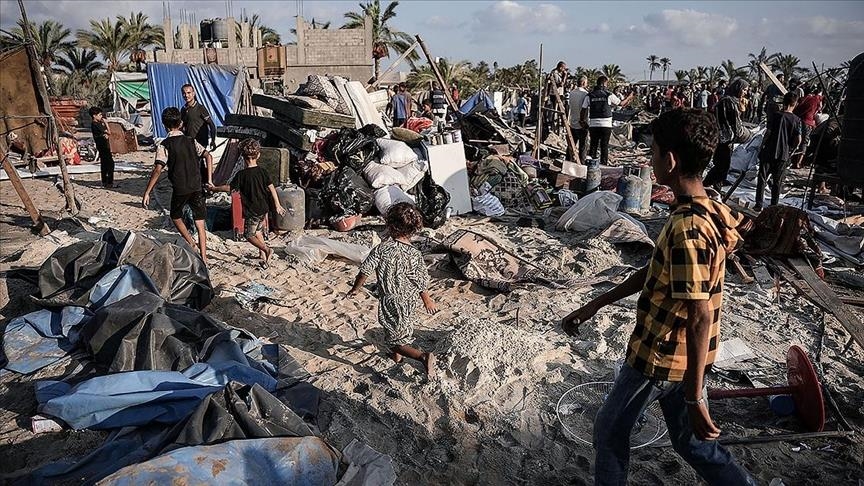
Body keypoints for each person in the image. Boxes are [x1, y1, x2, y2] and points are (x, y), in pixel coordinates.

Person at [562, 108, 756, 486]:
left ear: (669, 160)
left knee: (609, 431)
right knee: (692, 443)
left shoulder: (688, 228)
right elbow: (657, 270)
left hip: (659, 358)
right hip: (687, 358)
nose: (650, 162)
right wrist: (596, 303)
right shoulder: (709, 210)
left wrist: (696, 398)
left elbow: (699, 314)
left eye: (652, 153)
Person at [347, 202, 438, 377]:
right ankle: (397, 359)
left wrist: (355, 289)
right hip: (410, 300)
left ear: (390, 225)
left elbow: (364, 271)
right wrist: (427, 299)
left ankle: (422, 357)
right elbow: (420, 280)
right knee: (402, 329)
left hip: (391, 299)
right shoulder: (415, 254)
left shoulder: (382, 249)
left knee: (393, 339)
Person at [142, 107, 213, 265]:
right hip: (196, 185)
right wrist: (209, 179)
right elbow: (208, 156)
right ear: (181, 123)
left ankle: (191, 242)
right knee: (200, 223)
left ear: (164, 125)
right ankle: (204, 257)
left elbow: (158, 169)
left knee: (175, 216)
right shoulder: (191, 141)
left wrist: (148, 191)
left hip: (180, 188)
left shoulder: (164, 145)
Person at [208, 138, 286, 268]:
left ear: (242, 157)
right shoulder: (263, 171)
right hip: (264, 208)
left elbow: (229, 188)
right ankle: (262, 255)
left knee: (248, 235)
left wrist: (214, 188)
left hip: (252, 211)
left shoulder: (241, 175)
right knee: (258, 231)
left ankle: (267, 249)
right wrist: (277, 204)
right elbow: (272, 188)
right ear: (258, 155)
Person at [755, 91, 801, 210]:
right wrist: (791, 150)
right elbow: (798, 139)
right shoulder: (796, 120)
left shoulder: (775, 116)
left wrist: (761, 146)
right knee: (777, 181)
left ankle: (758, 204)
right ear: (795, 104)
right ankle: (773, 206)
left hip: (769, 151)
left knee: (762, 179)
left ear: (783, 101)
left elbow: (768, 132)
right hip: (783, 154)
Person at [703, 79, 750, 190]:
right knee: (722, 165)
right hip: (723, 138)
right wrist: (745, 134)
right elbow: (735, 124)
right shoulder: (728, 101)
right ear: (738, 88)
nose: (745, 93)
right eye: (744, 90)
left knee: (723, 165)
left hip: (725, 138)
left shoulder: (732, 101)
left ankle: (713, 186)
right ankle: (708, 185)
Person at [582, 75, 632, 165]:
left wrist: (582, 121)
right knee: (604, 146)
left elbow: (583, 109)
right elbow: (621, 104)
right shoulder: (608, 94)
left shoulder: (589, 95)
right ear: (605, 84)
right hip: (606, 125)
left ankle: (591, 165)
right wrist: (629, 97)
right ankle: (603, 164)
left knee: (593, 145)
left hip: (593, 124)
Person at [180, 84, 217, 188]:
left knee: (198, 162)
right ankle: (202, 184)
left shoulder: (200, 108)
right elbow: (183, 126)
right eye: (184, 93)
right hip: (189, 141)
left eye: (188, 93)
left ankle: (204, 184)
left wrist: (213, 140)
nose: (186, 95)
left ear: (193, 93)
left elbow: (212, 125)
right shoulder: (183, 110)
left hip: (201, 141)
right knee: (194, 164)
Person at [791, 85, 823, 168]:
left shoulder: (802, 99)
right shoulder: (816, 99)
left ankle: (792, 160)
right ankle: (798, 162)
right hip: (808, 122)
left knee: (795, 139)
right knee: (804, 142)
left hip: (798, 121)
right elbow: (820, 108)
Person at [89, 107, 114, 188]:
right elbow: (109, 132)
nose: (101, 116)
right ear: (94, 115)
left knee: (105, 164)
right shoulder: (96, 124)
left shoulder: (98, 123)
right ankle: (108, 182)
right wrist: (106, 124)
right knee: (109, 164)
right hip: (102, 146)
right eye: (99, 115)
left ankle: (105, 182)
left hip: (103, 145)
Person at [568, 75, 590, 163]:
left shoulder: (572, 93)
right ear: (584, 83)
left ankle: (568, 161)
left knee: (571, 145)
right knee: (582, 146)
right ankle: (581, 163)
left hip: (573, 122)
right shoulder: (585, 94)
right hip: (582, 124)